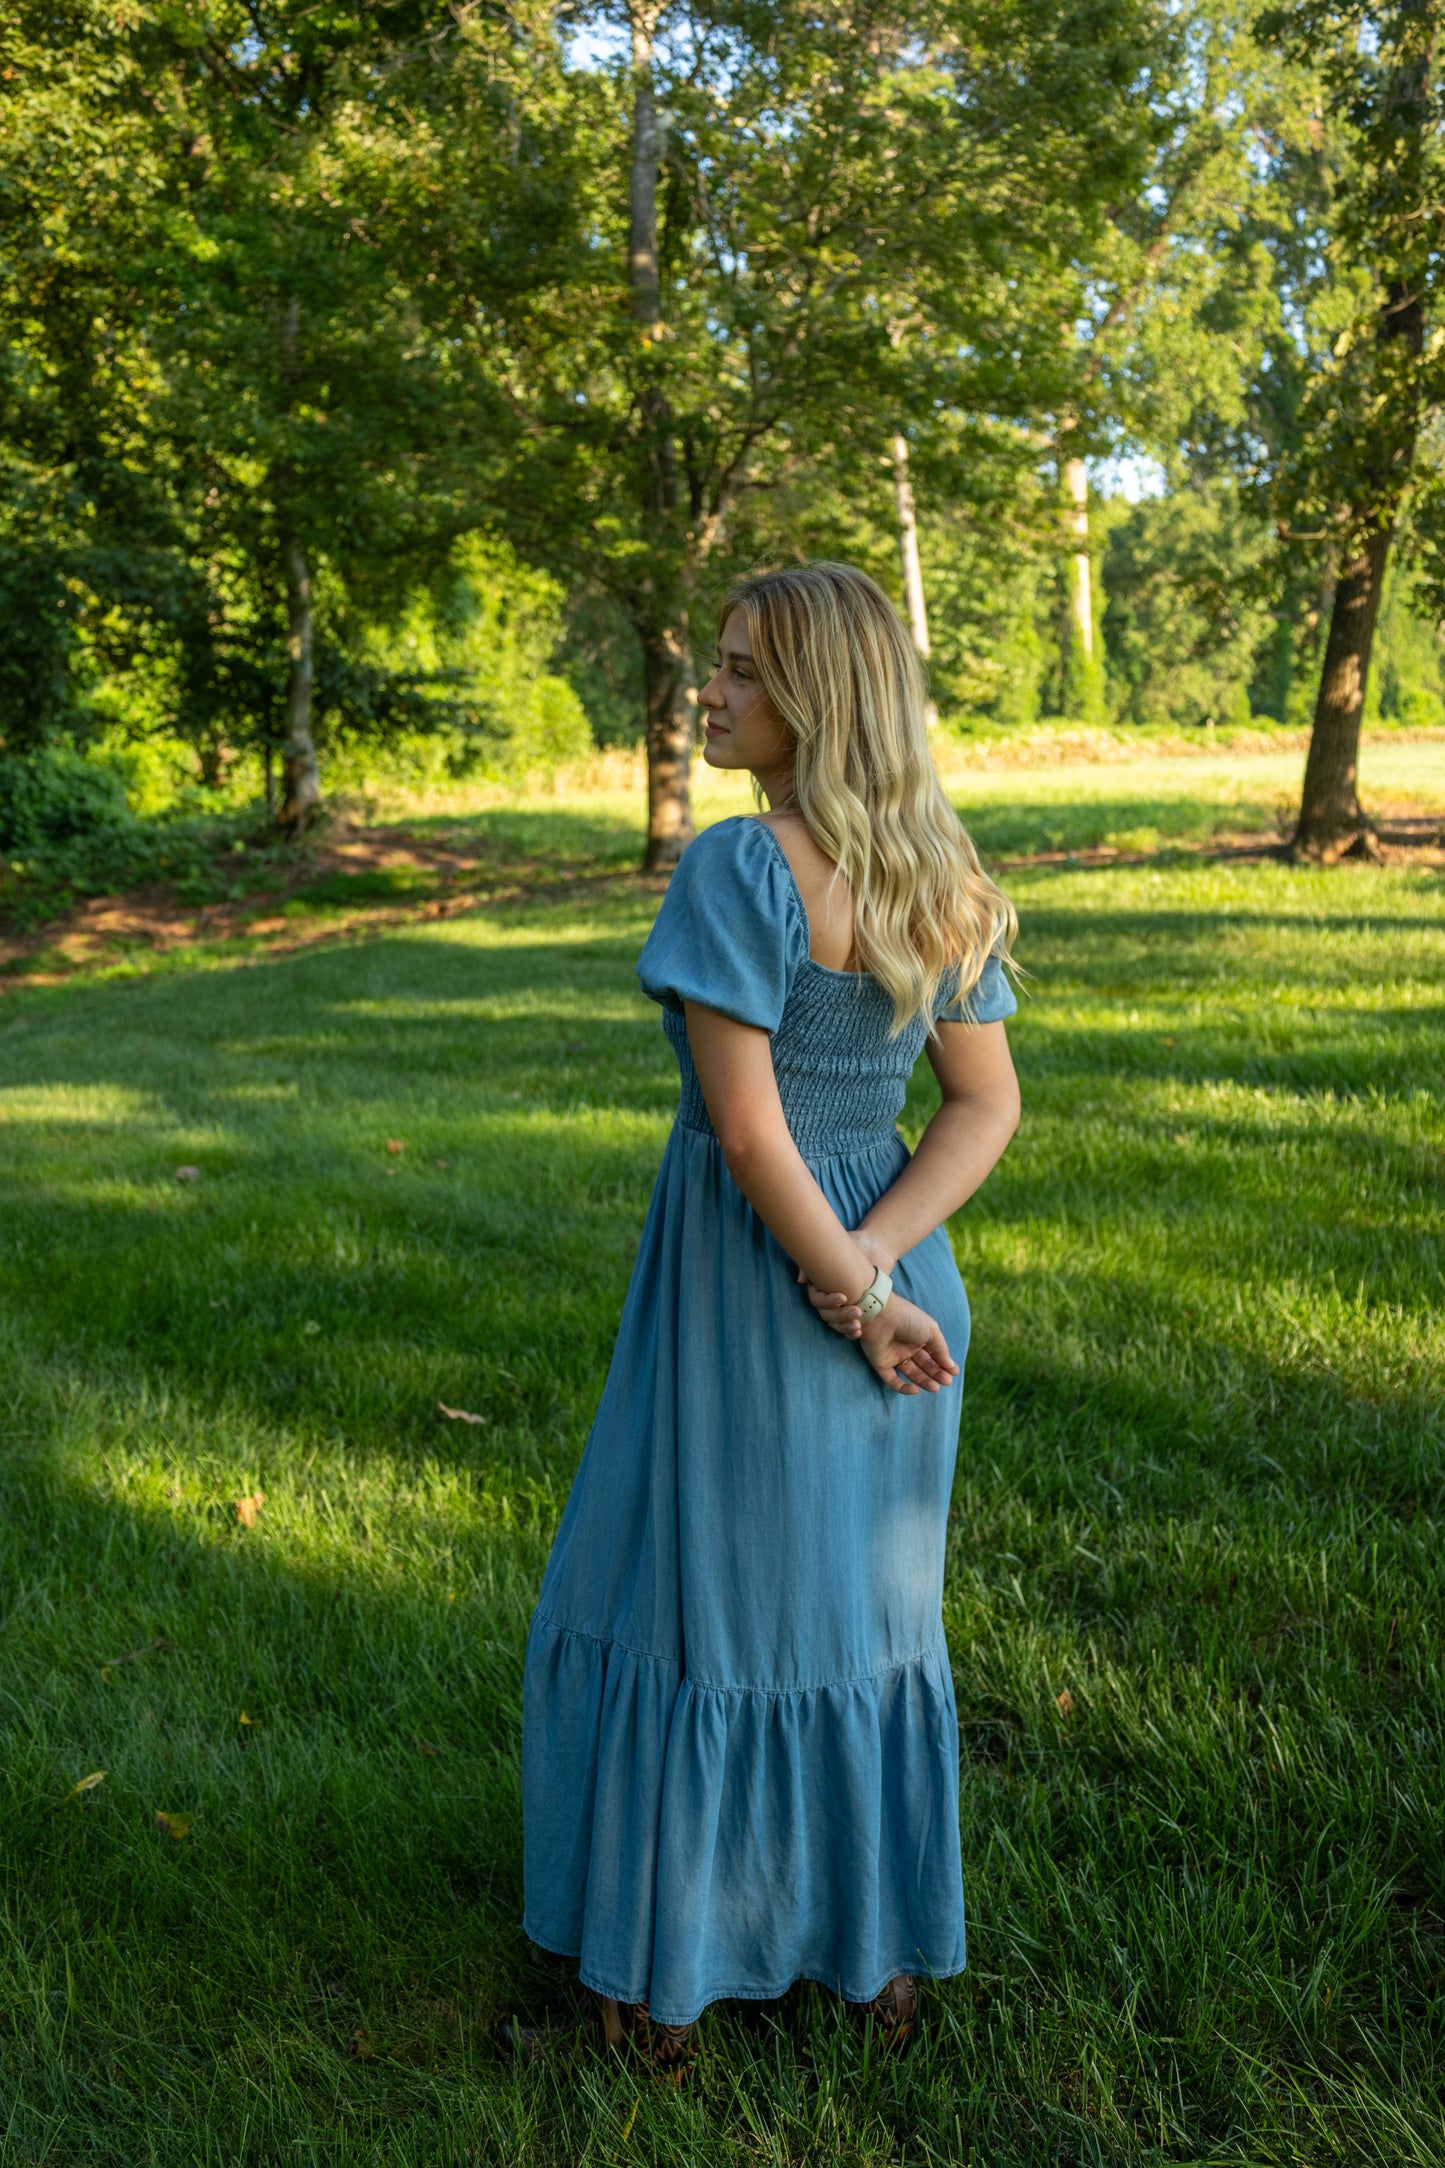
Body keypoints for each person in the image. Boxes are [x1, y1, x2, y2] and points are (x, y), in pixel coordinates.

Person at [504, 562, 1021, 2075]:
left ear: (813, 699)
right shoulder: (942, 871)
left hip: (765, 1280)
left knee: (699, 1608)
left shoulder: (742, 870)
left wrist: (848, 1292)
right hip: (887, 1266)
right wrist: (880, 1263)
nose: (707, 694)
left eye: (734, 671)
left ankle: (670, 1974)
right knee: (855, 1623)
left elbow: (744, 1137)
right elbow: (980, 1110)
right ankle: (869, 1954)